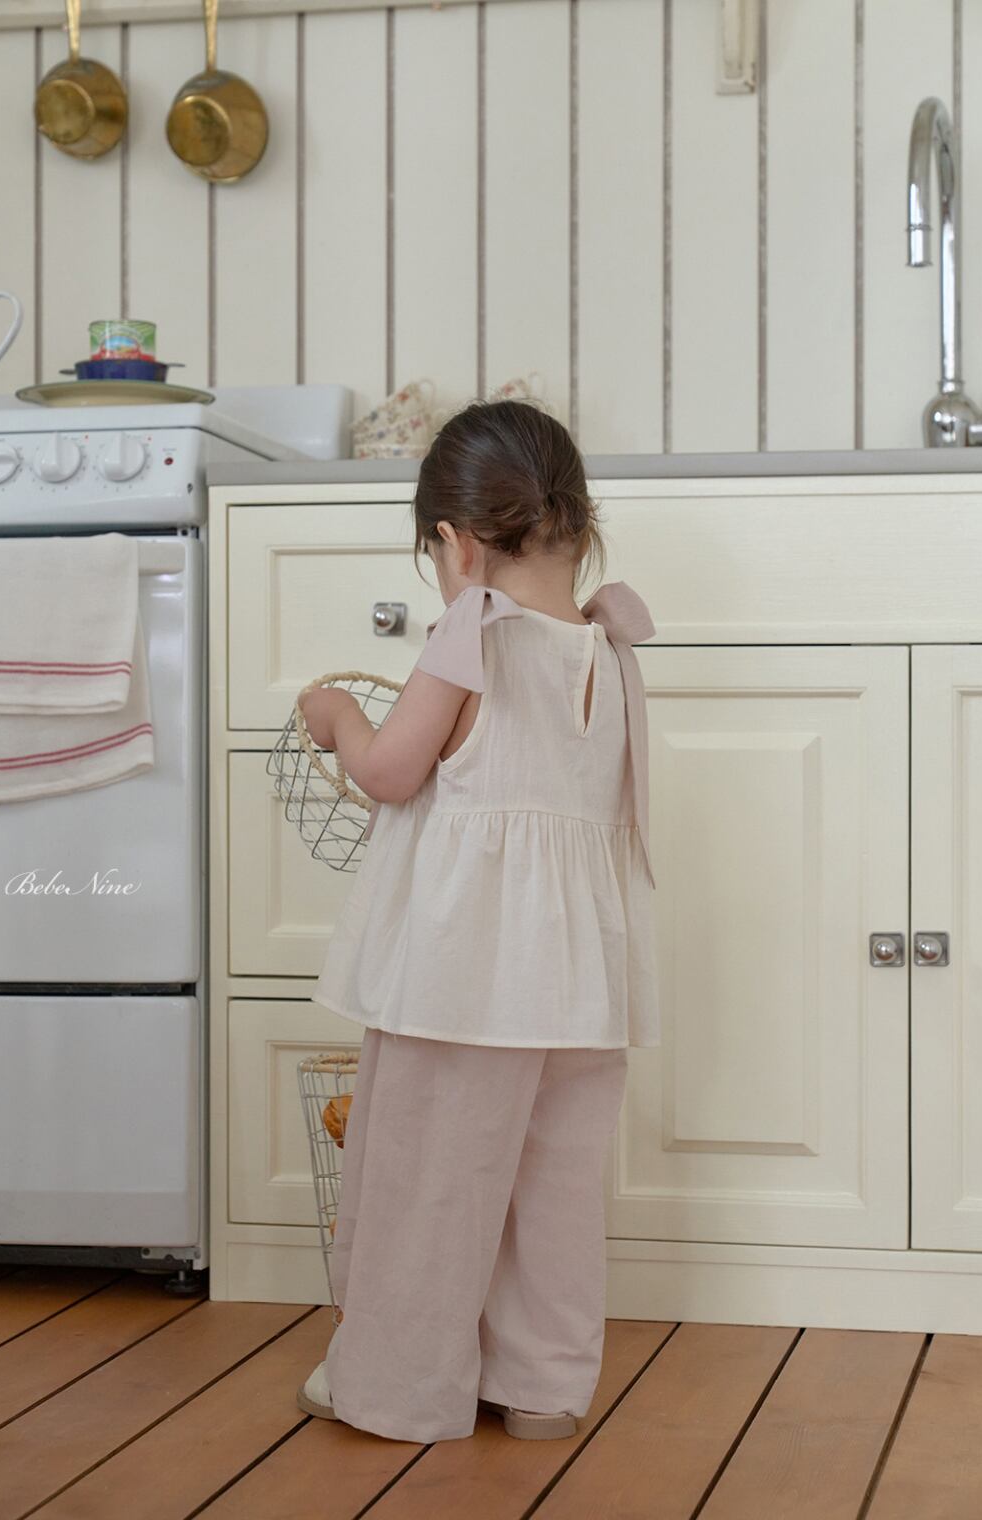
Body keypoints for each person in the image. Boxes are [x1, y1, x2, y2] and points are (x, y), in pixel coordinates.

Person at [294, 398, 659, 1444]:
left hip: (462, 976)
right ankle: (541, 1384)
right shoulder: (608, 647)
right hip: (578, 981)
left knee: (430, 1184)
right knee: (553, 1189)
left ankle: (399, 1385)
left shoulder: (473, 632)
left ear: (456, 545)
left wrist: (337, 716)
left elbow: (390, 772)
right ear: (577, 526)